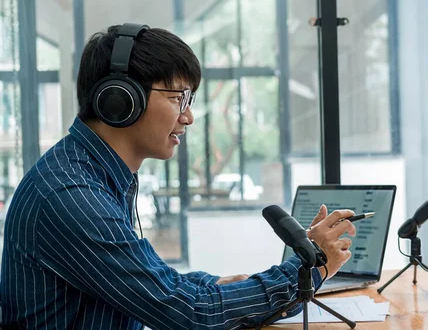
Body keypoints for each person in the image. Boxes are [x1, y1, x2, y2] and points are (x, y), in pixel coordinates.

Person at [0, 23, 356, 330]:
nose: (188, 117)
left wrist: (214, 286)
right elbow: (190, 316)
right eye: (178, 98)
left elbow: (148, 282)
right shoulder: (70, 194)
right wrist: (311, 266)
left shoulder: (94, 175)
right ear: (121, 101)